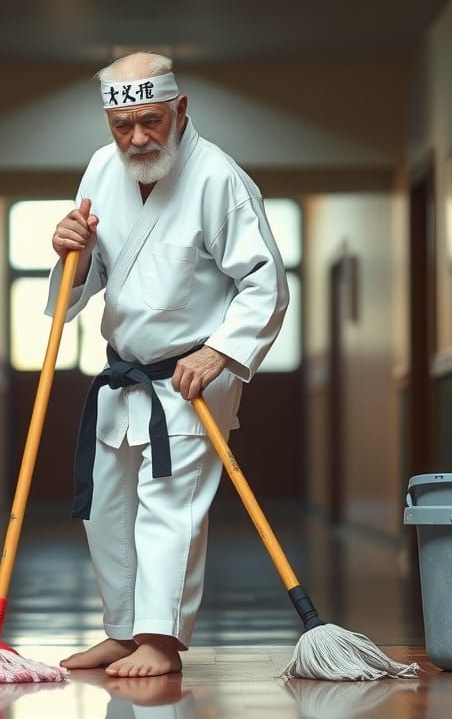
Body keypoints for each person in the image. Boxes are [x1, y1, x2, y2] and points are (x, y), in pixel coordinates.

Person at [46, 52, 288, 677]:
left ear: (181, 110)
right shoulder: (102, 170)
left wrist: (218, 352)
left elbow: (266, 282)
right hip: (122, 373)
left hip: (192, 375)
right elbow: (85, 279)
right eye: (122, 126)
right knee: (107, 509)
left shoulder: (218, 180)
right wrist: (68, 249)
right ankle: (123, 632)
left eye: (150, 121)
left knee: (168, 504)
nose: (137, 139)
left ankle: (161, 639)